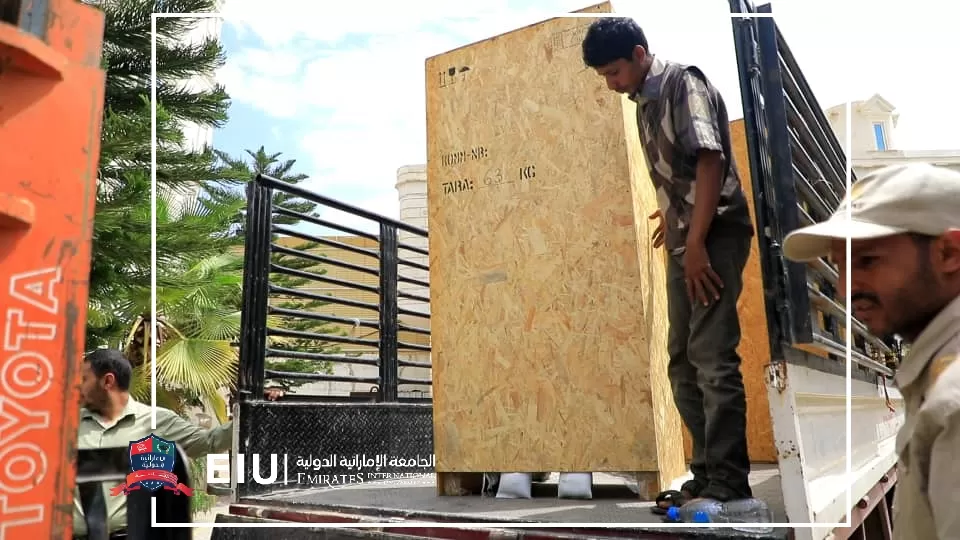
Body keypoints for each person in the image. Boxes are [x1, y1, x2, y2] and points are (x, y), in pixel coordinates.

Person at [581, 17, 757, 510]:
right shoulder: (641, 101)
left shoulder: (684, 83)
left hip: (715, 234)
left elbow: (709, 160)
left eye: (613, 72)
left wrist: (697, 238)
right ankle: (706, 474)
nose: (611, 84)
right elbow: (681, 170)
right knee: (681, 360)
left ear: (639, 55)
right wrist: (675, 212)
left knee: (712, 357)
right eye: (603, 77)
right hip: (688, 234)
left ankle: (729, 481)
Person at [781, 163, 960, 540]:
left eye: (868, 261)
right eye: (839, 266)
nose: (845, 290)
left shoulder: (952, 403)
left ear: (950, 253)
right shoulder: (936, 382)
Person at [73, 348, 284, 539]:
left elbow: (209, 442)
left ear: (107, 381)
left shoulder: (157, 421)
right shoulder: (66, 424)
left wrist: (252, 413)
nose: (77, 385)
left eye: (84, 379)